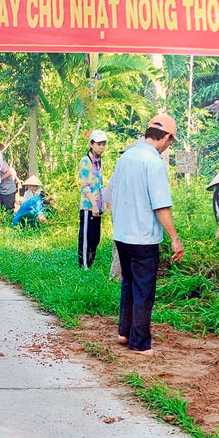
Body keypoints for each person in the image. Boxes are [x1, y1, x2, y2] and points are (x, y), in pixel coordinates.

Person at [111, 114, 184, 355]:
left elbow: (110, 195)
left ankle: (125, 332)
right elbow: (161, 206)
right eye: (169, 142)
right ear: (165, 137)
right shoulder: (153, 163)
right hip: (143, 237)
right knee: (144, 289)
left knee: (129, 282)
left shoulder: (126, 157)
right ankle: (140, 343)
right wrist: (174, 238)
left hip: (122, 234)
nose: (167, 147)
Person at [78, 129, 108, 269]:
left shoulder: (99, 160)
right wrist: (94, 205)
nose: (101, 147)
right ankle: (84, 267)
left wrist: (104, 202)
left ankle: (90, 264)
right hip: (88, 206)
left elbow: (100, 184)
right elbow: (84, 186)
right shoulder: (86, 161)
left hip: (98, 205)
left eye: (103, 144)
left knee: (95, 238)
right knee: (86, 238)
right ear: (91, 144)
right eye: (98, 144)